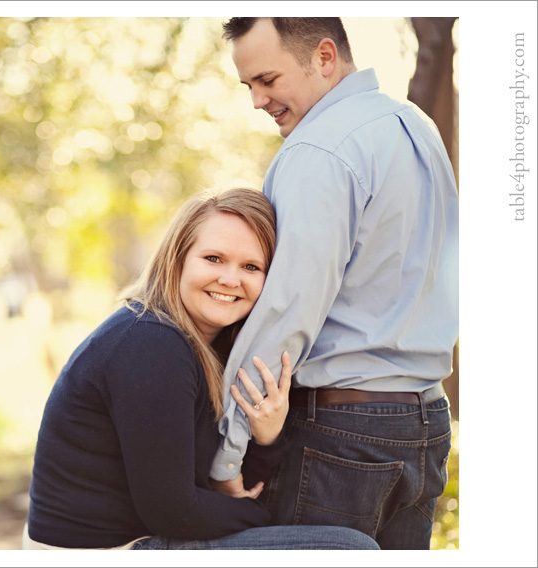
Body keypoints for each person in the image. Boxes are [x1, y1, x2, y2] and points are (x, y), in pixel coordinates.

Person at [210, 18, 459, 550]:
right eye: (247, 85)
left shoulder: (318, 149)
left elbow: (287, 311)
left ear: (324, 57)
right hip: (426, 423)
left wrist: (227, 455)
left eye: (268, 80)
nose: (257, 100)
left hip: (344, 438)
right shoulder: (416, 127)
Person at [24, 187, 379, 550]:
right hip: (100, 550)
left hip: (139, 538)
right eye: (213, 258)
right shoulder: (151, 344)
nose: (230, 279)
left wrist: (266, 436)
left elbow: (221, 486)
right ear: (178, 259)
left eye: (251, 267)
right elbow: (174, 511)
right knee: (349, 550)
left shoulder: (208, 348)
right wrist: (264, 515)